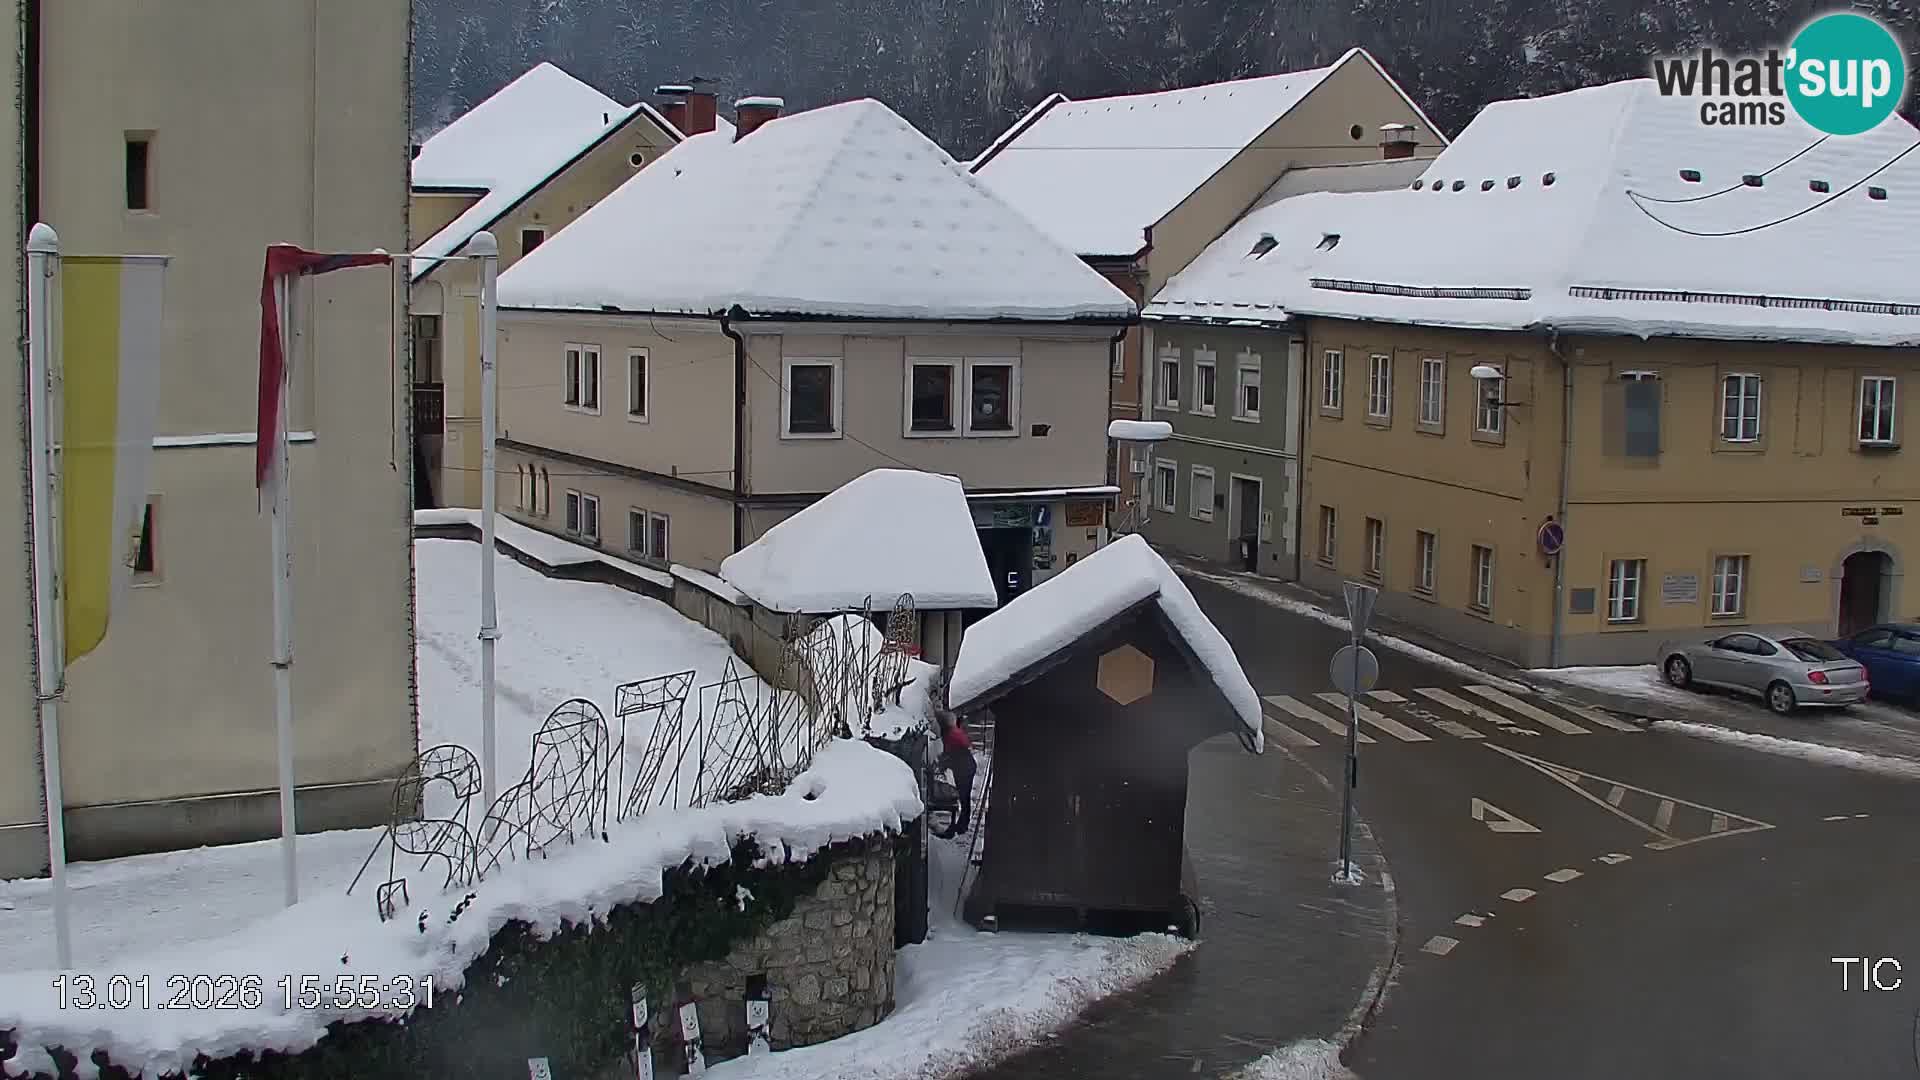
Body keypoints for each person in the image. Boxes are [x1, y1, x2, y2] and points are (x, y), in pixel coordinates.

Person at [934, 708, 976, 839]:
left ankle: (961, 826)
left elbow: (948, 755)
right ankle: (962, 825)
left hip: (964, 768)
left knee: (964, 797)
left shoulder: (950, 736)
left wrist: (941, 766)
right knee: (965, 797)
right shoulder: (955, 732)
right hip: (966, 766)